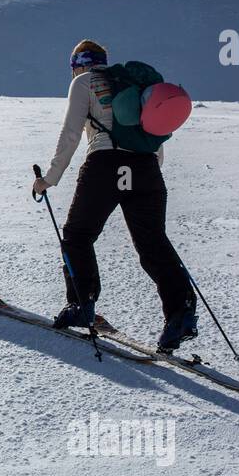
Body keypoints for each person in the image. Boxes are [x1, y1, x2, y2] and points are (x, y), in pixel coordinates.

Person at [32, 39, 198, 350]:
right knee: (152, 244)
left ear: (79, 64)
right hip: (146, 169)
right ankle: (181, 313)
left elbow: (70, 134)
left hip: (105, 167)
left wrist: (49, 178)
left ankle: (82, 304)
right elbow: (151, 138)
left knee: (78, 235)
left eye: (72, 66)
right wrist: (147, 174)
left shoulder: (85, 82)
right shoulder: (130, 87)